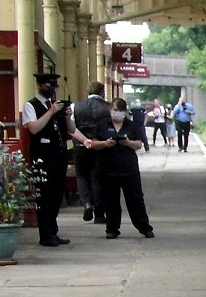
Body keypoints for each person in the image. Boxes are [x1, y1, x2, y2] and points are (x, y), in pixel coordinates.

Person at [21, 71, 90, 246]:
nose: (51, 89)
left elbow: (71, 129)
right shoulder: (31, 105)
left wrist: (69, 120)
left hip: (59, 156)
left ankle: (53, 231)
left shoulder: (57, 105)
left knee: (57, 195)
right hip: (42, 157)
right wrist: (51, 112)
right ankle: (45, 235)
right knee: (45, 196)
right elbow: (34, 129)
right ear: (39, 85)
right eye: (48, 85)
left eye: (54, 85)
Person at [92, 98, 154, 239]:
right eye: (115, 110)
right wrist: (105, 143)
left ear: (125, 112)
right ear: (110, 110)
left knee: (135, 199)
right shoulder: (101, 125)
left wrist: (127, 142)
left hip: (128, 168)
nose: (118, 113)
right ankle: (112, 229)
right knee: (111, 200)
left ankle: (144, 227)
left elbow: (139, 144)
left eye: (120, 111)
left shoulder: (132, 125)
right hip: (107, 169)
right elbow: (93, 143)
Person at [72, 81, 112, 221]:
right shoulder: (108, 108)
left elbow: (71, 127)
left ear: (88, 92)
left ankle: (87, 203)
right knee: (98, 179)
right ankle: (100, 214)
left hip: (81, 147)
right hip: (101, 147)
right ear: (102, 92)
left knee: (82, 176)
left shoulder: (76, 107)